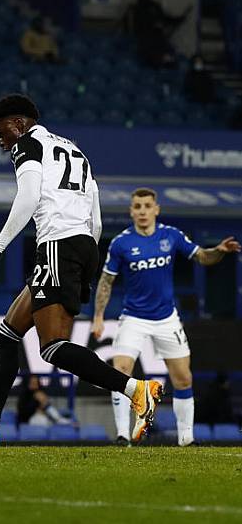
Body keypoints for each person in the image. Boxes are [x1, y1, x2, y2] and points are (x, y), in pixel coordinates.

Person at [0, 94, 163, 450]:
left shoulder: (28, 143)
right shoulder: (73, 149)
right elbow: (95, 214)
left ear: (18, 123)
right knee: (6, 334)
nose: (1, 140)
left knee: (51, 348)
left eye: (1, 130)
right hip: (80, 245)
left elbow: (30, 196)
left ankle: (135, 389)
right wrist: (88, 266)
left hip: (57, 245)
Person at [91, 188, 239, 446]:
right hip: (133, 318)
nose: (143, 211)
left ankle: (186, 438)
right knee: (120, 371)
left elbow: (202, 257)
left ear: (156, 209)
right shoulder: (121, 243)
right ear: (131, 211)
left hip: (166, 318)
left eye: (148, 206)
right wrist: (98, 317)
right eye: (137, 206)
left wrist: (219, 250)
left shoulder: (171, 236)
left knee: (183, 377)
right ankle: (122, 435)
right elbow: (106, 281)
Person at [128, 0, 190, 69]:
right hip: (145, 38)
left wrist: (179, 19)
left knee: (169, 55)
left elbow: (164, 18)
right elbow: (137, 25)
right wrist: (153, 25)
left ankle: (166, 62)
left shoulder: (155, 6)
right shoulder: (136, 7)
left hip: (158, 37)